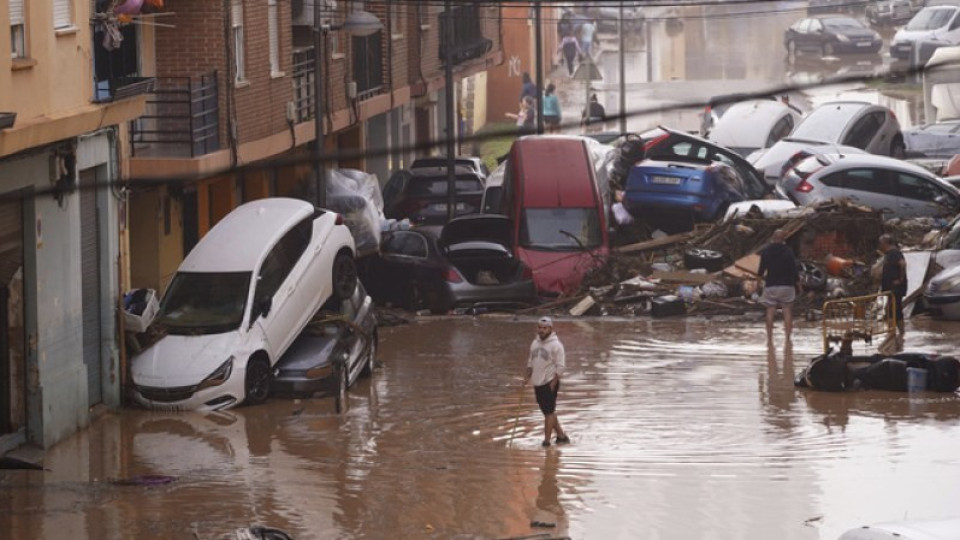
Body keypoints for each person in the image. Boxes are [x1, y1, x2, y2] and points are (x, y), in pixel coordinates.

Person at [523, 317, 569, 447]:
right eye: (539, 328)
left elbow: (561, 366)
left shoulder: (556, 345)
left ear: (550, 329)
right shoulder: (534, 343)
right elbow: (530, 362)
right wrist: (526, 377)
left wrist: (554, 383)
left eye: (544, 328)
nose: (541, 330)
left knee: (548, 412)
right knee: (548, 411)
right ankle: (561, 436)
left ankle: (546, 441)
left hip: (549, 382)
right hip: (537, 383)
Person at [758, 228, 800, 346]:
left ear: (773, 238)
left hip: (771, 285)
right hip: (787, 286)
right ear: (783, 239)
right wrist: (798, 284)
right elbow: (794, 270)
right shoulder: (788, 251)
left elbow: (761, 270)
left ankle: (770, 339)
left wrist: (758, 284)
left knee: (770, 311)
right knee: (787, 311)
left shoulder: (766, 251)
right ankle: (787, 339)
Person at [879, 234, 907, 335]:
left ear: (885, 243)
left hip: (896, 288)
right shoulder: (889, 254)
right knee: (894, 310)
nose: (880, 246)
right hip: (892, 288)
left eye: (881, 243)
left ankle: (893, 333)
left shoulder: (894, 253)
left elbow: (902, 264)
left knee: (894, 310)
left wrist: (900, 279)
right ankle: (896, 333)